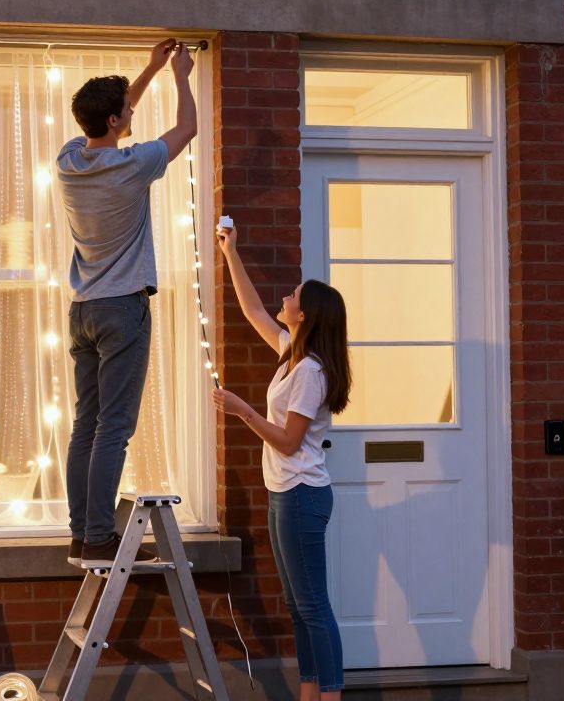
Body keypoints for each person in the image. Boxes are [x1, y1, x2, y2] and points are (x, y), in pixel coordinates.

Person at [57, 38, 197, 565]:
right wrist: (179, 75)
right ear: (115, 120)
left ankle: (82, 532)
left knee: (86, 424)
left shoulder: (68, 161)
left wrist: (149, 69)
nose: (132, 113)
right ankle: (100, 536)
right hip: (122, 310)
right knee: (113, 429)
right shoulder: (134, 165)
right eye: (126, 111)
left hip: (83, 311)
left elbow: (112, 119)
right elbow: (187, 128)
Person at [210, 225, 352, 700]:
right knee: (298, 605)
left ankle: (329, 694)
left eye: (294, 295)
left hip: (301, 495)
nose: (286, 296)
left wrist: (242, 411)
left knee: (314, 607)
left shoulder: (310, 371)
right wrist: (231, 252)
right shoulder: (293, 352)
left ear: (304, 314)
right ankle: (310, 694)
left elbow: (290, 442)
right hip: (284, 495)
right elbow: (252, 309)